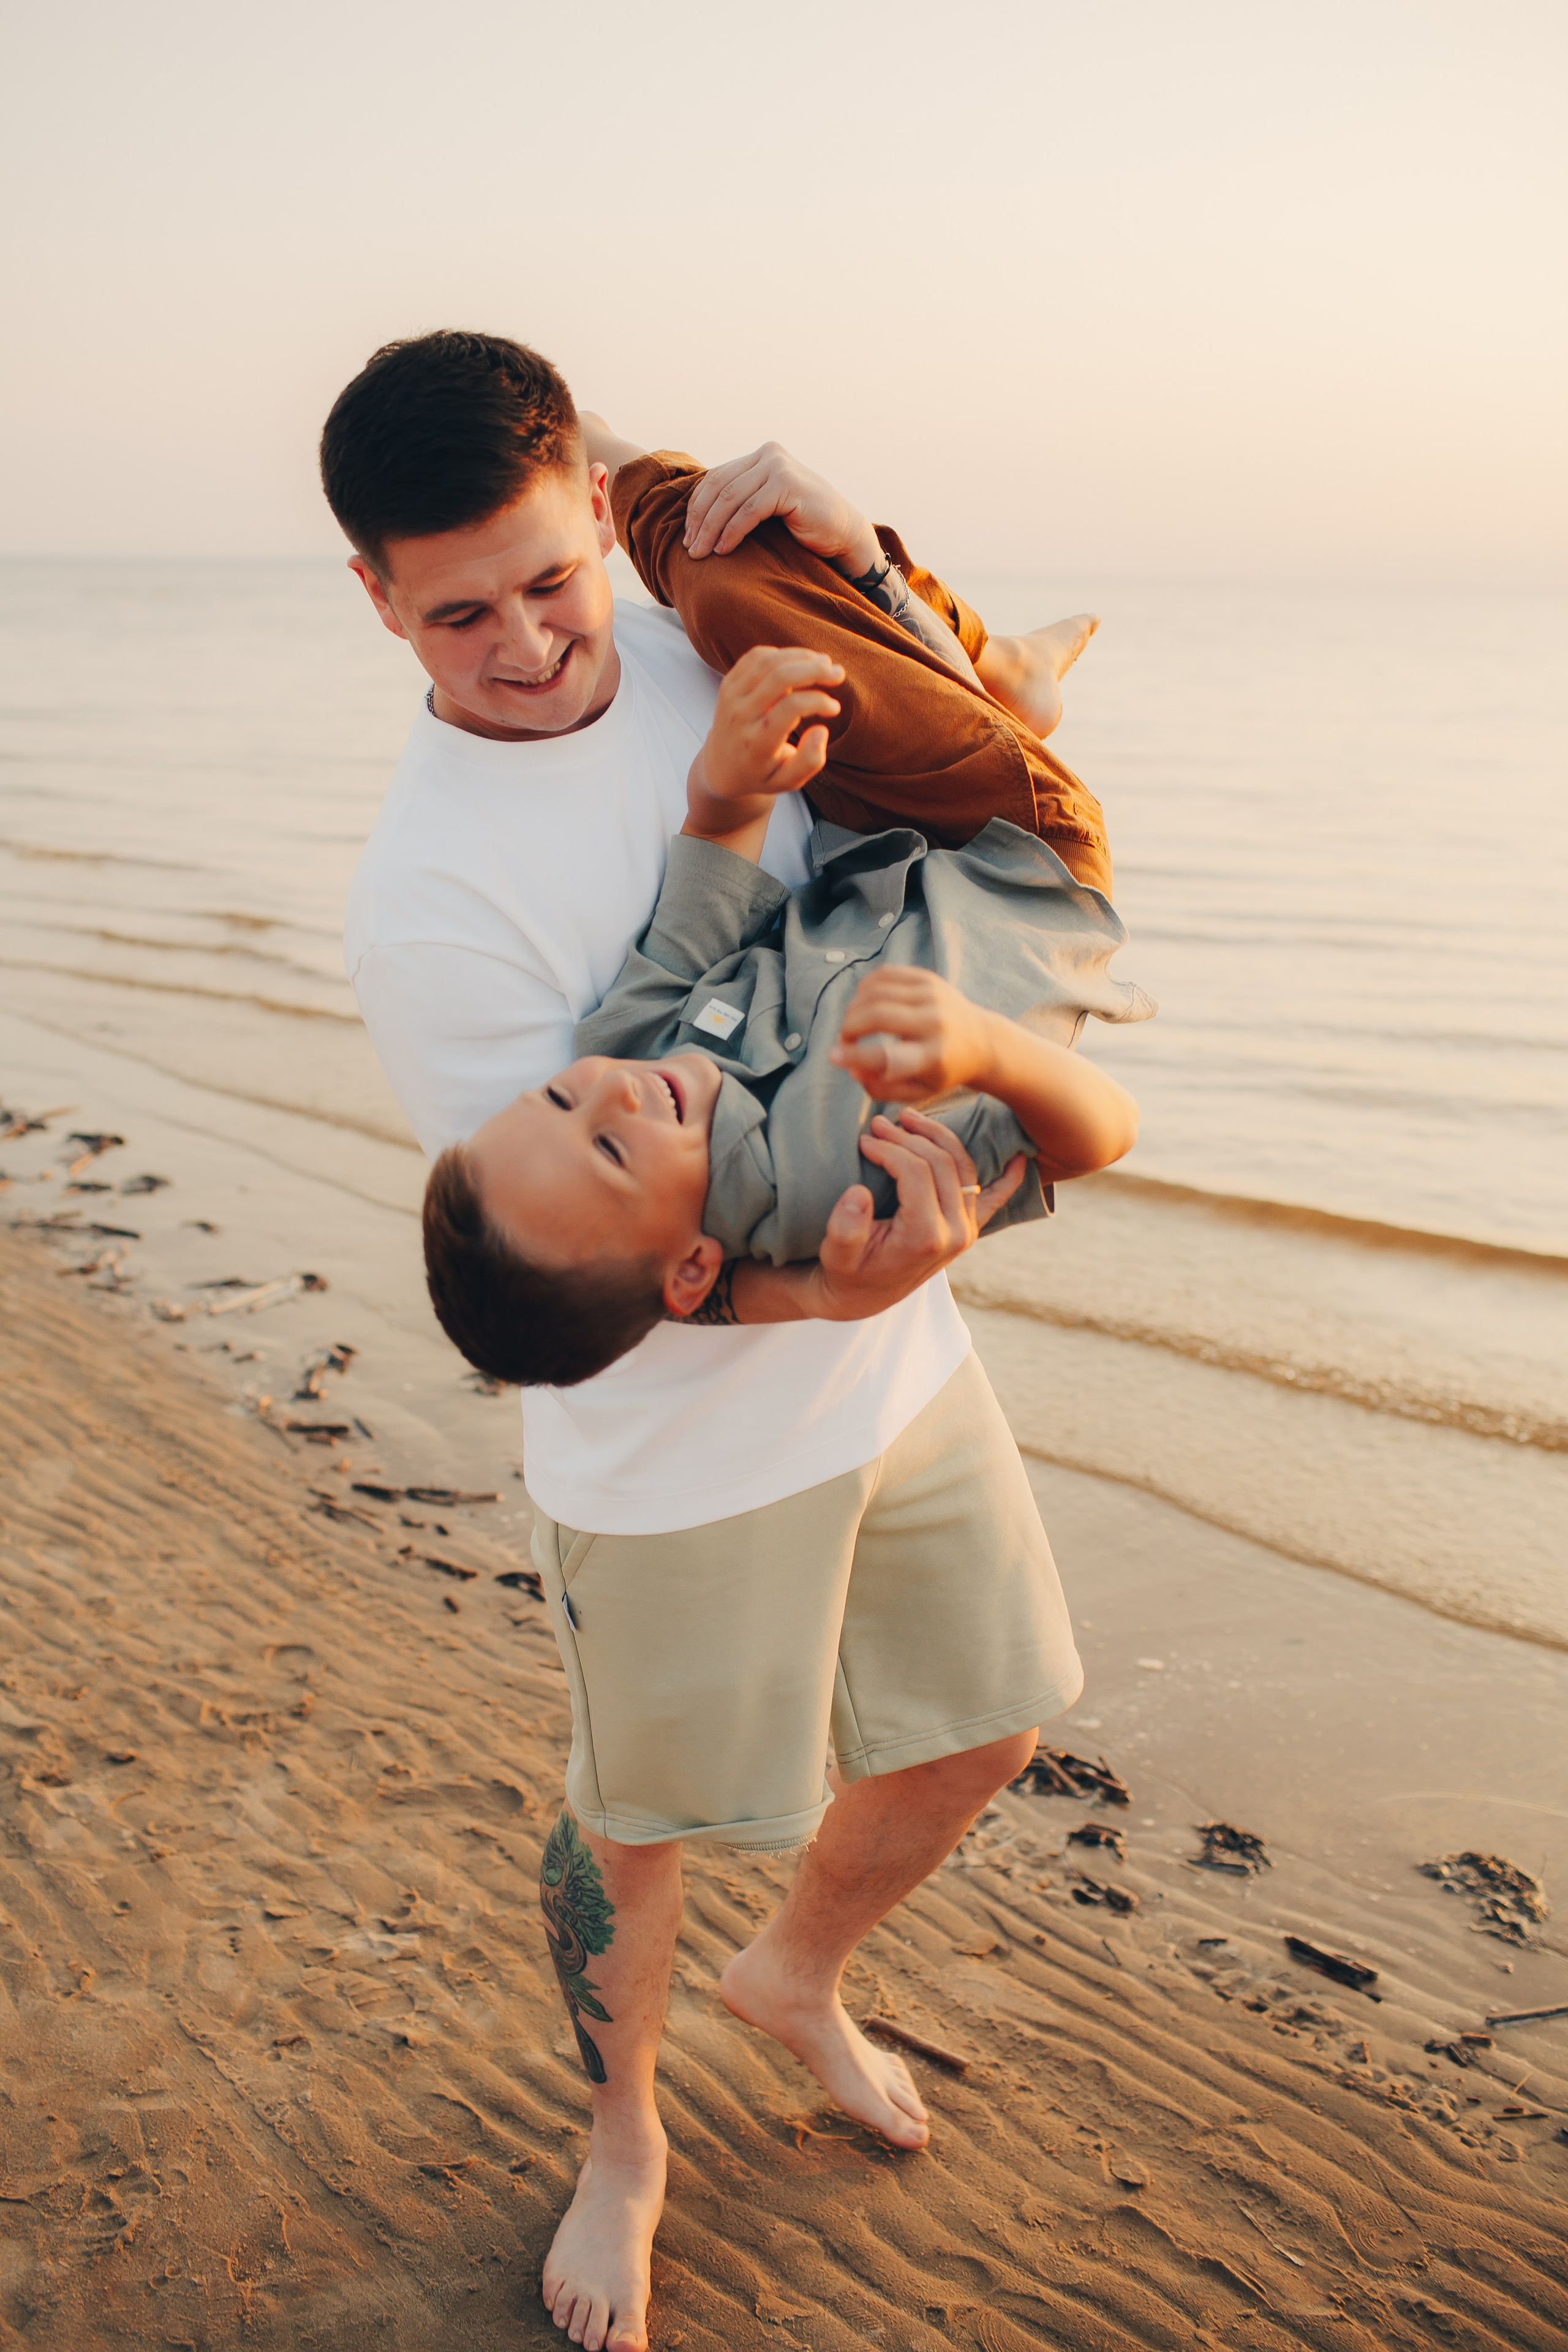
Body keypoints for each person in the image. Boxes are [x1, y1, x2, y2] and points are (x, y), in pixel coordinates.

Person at [323, 333, 1105, 2352]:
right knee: (640, 1823)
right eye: (457, 613)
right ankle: (624, 2140)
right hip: (670, 1457)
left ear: (595, 502)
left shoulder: (689, 621)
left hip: (901, 1370)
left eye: (547, 579)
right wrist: (844, 1272)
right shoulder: (428, 904)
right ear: (378, 602)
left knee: (988, 1727)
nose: (522, 645)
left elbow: (940, 787)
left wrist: (871, 550)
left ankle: (802, 1977)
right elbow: (565, 1253)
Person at [420, 478, 1150, 1385]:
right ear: (694, 1267)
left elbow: (714, 866)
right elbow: (1103, 1135)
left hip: (887, 831)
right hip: (1030, 853)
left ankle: (993, 681)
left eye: (560, 1100)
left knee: (747, 610)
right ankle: (613, 465)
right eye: (610, 1150)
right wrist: (985, 1052)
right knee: (726, 582)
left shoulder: (627, 1041)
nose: (615, 1093)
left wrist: (730, 780)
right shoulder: (834, 1201)